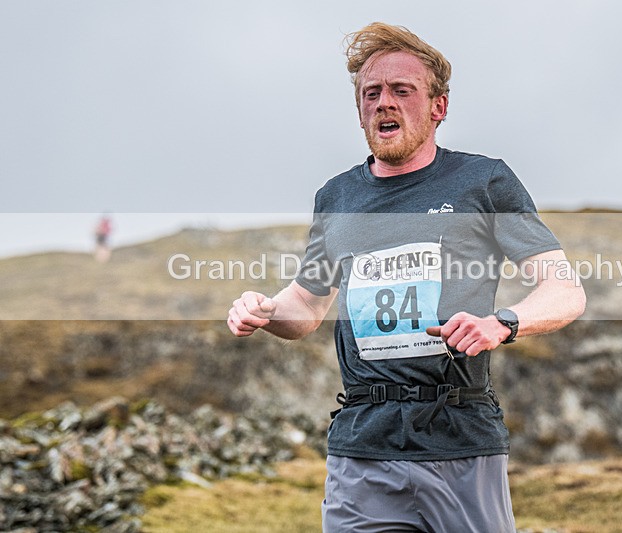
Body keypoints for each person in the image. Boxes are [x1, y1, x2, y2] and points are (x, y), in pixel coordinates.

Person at [228, 22, 586, 532]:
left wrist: (502, 323)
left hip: (460, 439)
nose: (384, 103)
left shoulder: (482, 181)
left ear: (438, 107)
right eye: (372, 93)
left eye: (402, 90)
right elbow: (305, 307)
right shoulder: (337, 198)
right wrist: (263, 310)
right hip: (362, 447)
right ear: (359, 111)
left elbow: (564, 290)